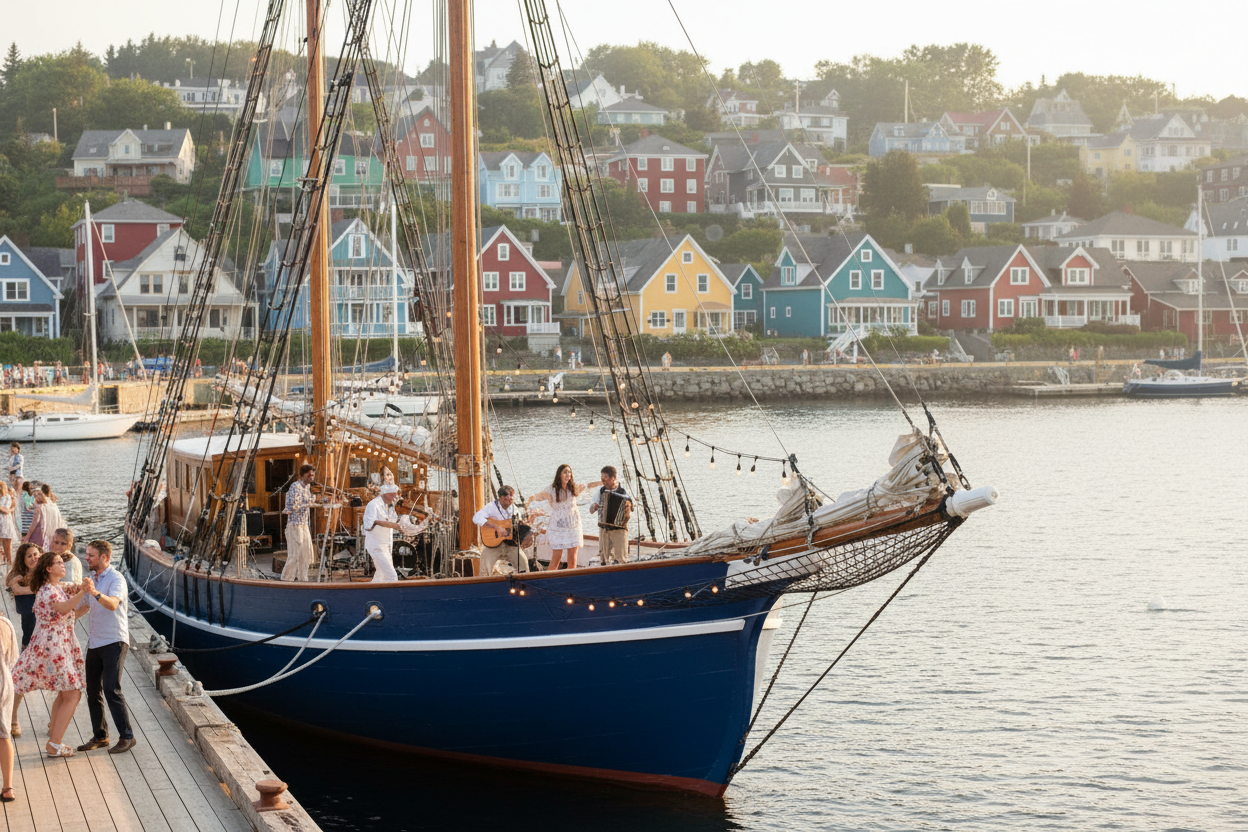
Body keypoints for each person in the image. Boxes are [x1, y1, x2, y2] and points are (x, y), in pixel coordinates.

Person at [10, 550, 89, 758]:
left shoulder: (56, 586)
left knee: (66, 692)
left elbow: (74, 588)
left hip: (56, 644)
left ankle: (54, 742)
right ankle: (54, 743)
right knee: (73, 692)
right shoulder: (48, 591)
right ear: (48, 569)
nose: (63, 565)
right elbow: (64, 608)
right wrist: (83, 593)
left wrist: (87, 586)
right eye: (58, 563)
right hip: (52, 647)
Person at [74, 541, 135, 754]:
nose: (87, 558)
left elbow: (112, 604)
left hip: (115, 641)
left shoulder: (116, 578)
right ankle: (100, 736)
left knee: (111, 687)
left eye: (91, 555)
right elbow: (85, 607)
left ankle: (127, 736)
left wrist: (94, 592)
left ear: (104, 558)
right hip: (95, 642)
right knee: (92, 690)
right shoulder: (94, 579)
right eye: (87, 554)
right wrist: (66, 621)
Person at [526, 464, 586, 572]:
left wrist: (603, 482)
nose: (568, 474)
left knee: (572, 558)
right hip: (558, 527)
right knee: (556, 557)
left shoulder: (573, 488)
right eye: (565, 472)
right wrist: (528, 504)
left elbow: (589, 486)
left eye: (569, 472)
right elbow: (537, 497)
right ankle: (548, 580)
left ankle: (571, 580)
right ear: (559, 474)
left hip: (573, 526)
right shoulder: (552, 490)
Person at [473, 486, 530, 575]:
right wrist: (496, 527)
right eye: (510, 496)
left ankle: (523, 584)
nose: (512, 498)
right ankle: (484, 586)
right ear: (502, 498)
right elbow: (476, 518)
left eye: (512, 496)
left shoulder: (514, 509)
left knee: (523, 562)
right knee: (485, 566)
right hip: (493, 544)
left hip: (510, 544)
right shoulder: (491, 506)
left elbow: (517, 526)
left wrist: (527, 531)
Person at [589, 466, 632, 566]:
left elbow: (630, 507)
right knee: (604, 558)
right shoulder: (601, 491)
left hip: (619, 529)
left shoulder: (623, 492)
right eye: (602, 476)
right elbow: (591, 509)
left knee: (621, 559)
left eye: (605, 476)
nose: (603, 479)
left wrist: (628, 506)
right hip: (604, 529)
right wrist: (594, 506)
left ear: (614, 478)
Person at [362, 484, 405, 582]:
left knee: (380, 577)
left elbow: (394, 521)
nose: (394, 497)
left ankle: (372, 594)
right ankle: (392, 596)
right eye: (392, 495)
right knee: (392, 576)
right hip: (376, 546)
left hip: (387, 546)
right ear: (384, 494)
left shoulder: (390, 506)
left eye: (395, 495)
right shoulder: (373, 505)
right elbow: (368, 525)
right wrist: (391, 525)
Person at [281, 464, 316, 581]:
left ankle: (303, 579)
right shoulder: (295, 486)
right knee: (294, 555)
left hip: (304, 524)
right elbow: (292, 506)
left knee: (305, 554)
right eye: (309, 474)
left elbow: (307, 501)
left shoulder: (307, 487)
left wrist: (312, 501)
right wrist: (308, 502)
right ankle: (287, 580)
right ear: (302, 475)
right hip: (295, 524)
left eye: (313, 474)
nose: (311, 477)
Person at [0, 611, 17, 802]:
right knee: (3, 736)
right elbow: (12, 658)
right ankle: (7, 787)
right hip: (5, 684)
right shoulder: (5, 624)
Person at [0, 481, 16, 566]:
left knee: (7, 549)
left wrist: (9, 510)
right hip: (5, 524)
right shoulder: (8, 497)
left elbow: (5, 510)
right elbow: (10, 509)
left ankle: (8, 566)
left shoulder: (7, 497)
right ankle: (6, 566)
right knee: (5, 549)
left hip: (5, 525)